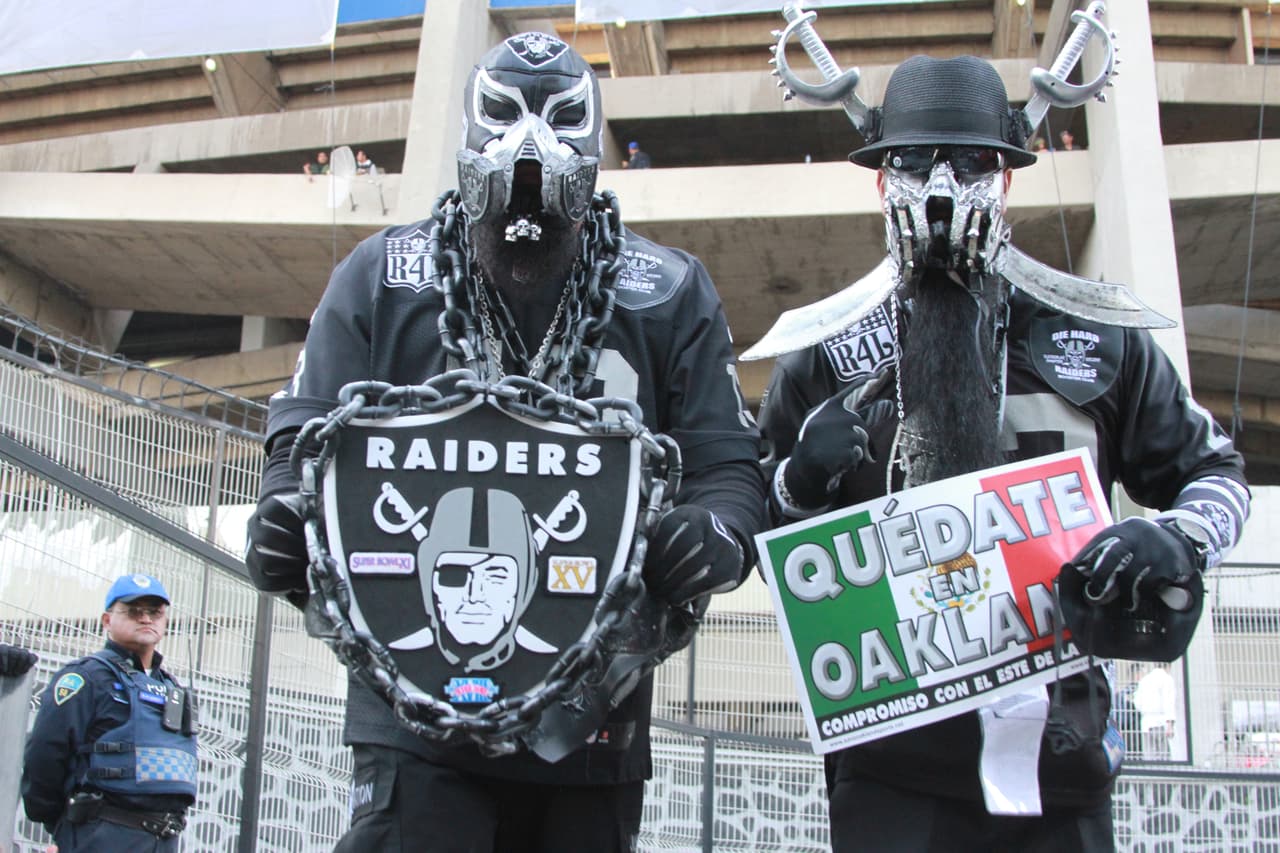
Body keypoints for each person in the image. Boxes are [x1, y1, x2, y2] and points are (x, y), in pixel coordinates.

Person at [245, 32, 764, 853]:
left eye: (559, 123)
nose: (529, 153)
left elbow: (726, 464)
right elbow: (303, 433)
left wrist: (717, 533)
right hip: (413, 710)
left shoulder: (668, 291)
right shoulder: (382, 276)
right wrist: (282, 508)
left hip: (594, 704)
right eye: (504, 120)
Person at [757, 54, 1250, 851]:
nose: (943, 188)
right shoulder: (824, 352)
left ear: (1009, 178)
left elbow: (1215, 472)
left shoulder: (1101, 340)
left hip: (1064, 756)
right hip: (891, 762)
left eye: (975, 162)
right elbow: (751, 517)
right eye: (915, 163)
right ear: (882, 180)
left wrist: (1178, 538)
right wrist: (799, 480)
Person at [22, 574, 196, 852]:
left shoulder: (171, 687)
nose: (146, 619)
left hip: (163, 840)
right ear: (107, 621)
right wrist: (62, 824)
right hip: (101, 835)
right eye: (133, 611)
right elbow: (45, 754)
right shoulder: (86, 677)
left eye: (155, 612)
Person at [1132, 664, 1177, 760]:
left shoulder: (1144, 680)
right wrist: (1170, 725)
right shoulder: (1167, 679)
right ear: (1168, 666)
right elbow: (1169, 702)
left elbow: (1137, 703)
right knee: (1164, 756)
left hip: (1146, 722)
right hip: (1161, 722)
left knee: (1149, 756)